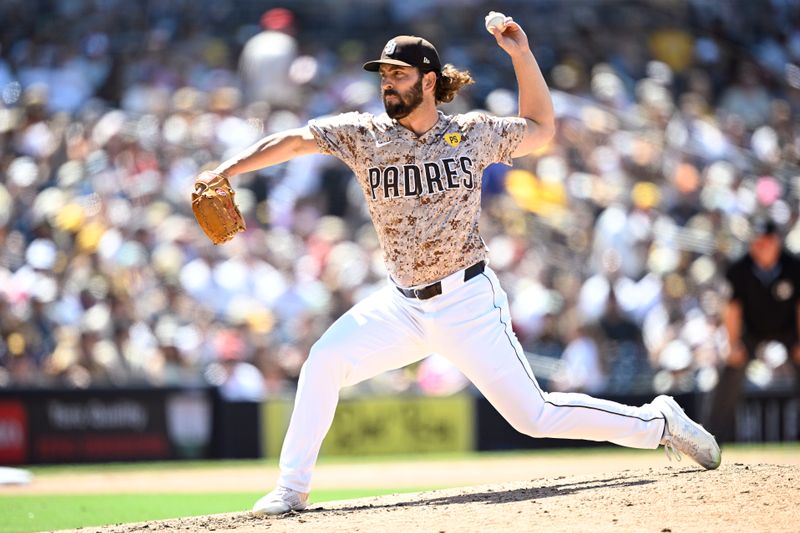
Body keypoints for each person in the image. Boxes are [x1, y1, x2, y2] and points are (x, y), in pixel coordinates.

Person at [196, 16, 720, 516]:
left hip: (467, 301)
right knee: (323, 361)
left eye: (398, 75)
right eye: (383, 76)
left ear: (428, 80)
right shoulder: (364, 134)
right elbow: (293, 141)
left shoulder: (470, 134)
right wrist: (226, 168)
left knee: (535, 418)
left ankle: (658, 423)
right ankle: (291, 489)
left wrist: (522, 54)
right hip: (401, 305)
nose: (387, 85)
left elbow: (540, 128)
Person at [708, 219, 800, 443]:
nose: (761, 247)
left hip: (788, 328)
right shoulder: (739, 268)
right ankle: (715, 435)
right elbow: (732, 310)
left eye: (766, 242)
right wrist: (733, 345)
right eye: (757, 242)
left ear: (776, 241)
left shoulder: (794, 266)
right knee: (731, 367)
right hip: (751, 329)